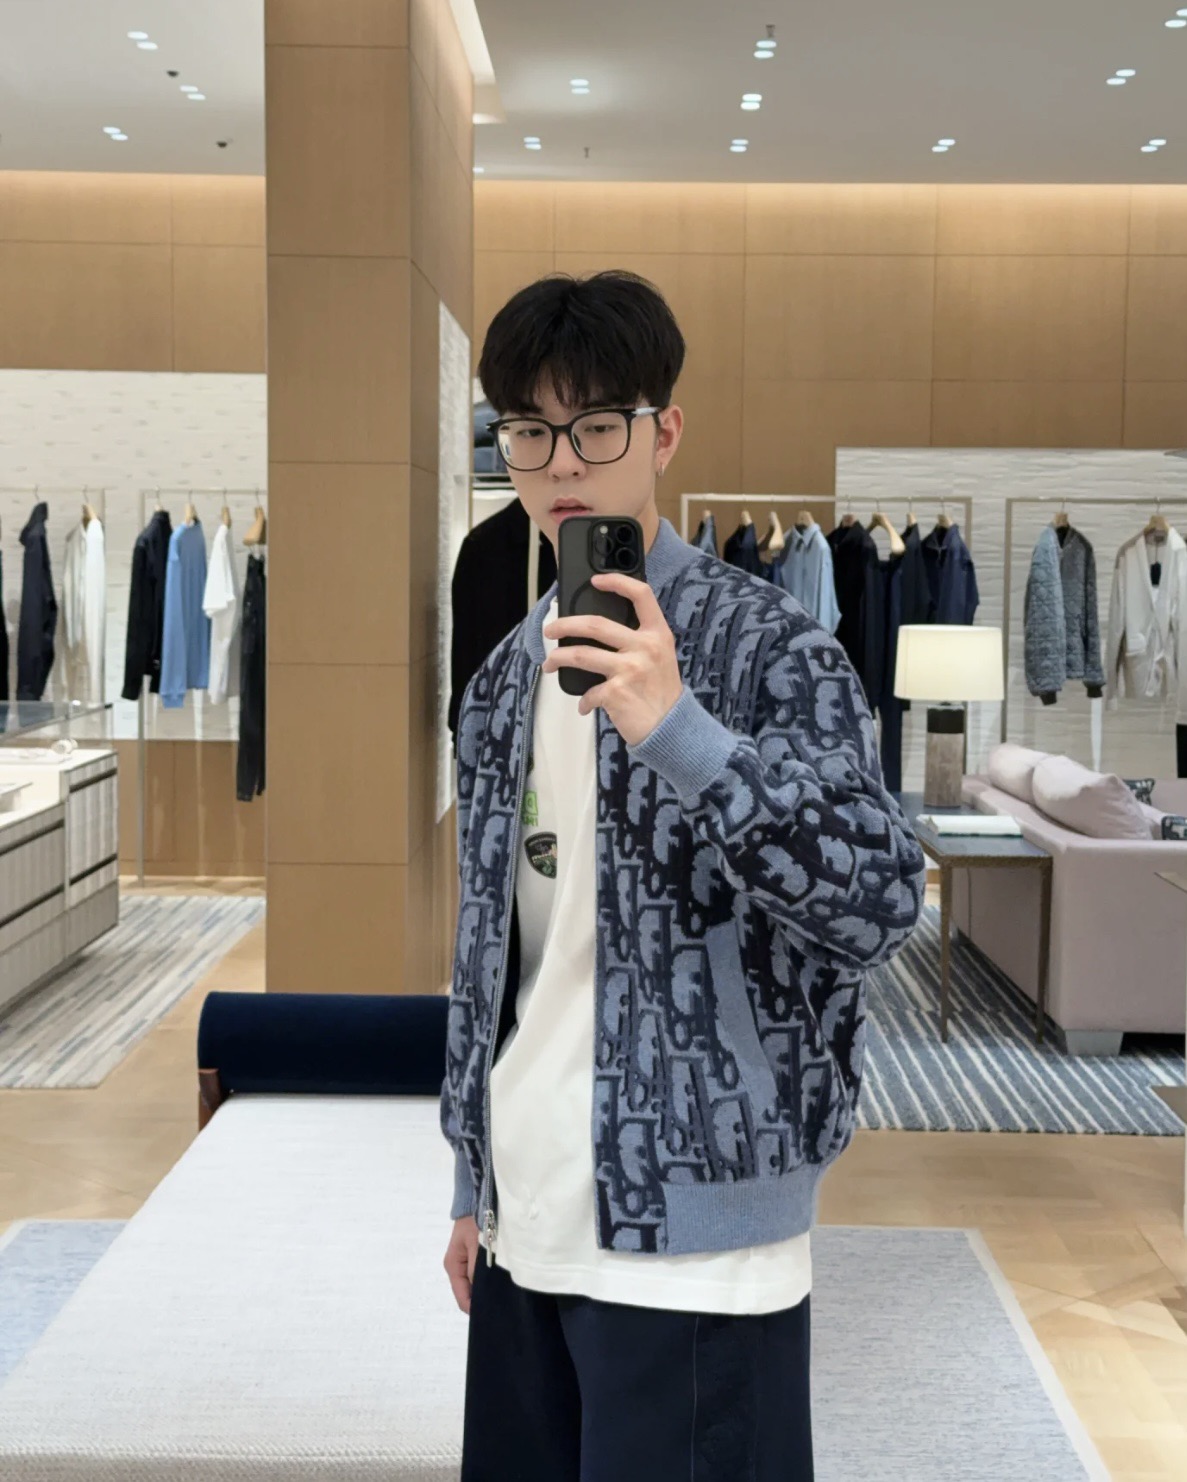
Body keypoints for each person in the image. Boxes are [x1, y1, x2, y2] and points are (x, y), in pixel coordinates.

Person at [440, 269, 925, 1481]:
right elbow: (492, 955)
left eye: (596, 427)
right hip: (526, 1218)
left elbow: (877, 901)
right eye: (529, 431)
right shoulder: (502, 681)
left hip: (705, 1240)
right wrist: (469, 1179)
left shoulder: (772, 650)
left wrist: (681, 734)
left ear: (662, 434)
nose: (562, 464)